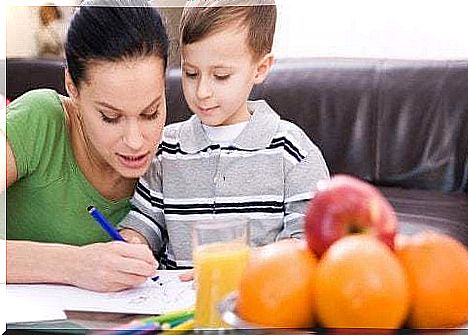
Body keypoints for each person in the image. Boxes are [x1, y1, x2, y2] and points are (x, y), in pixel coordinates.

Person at [119, 0, 330, 269]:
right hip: (175, 307)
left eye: (220, 76)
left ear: (260, 68)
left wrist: (235, 266)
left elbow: (306, 242)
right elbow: (145, 222)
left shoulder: (293, 152)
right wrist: (132, 243)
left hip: (256, 304)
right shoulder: (166, 148)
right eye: (191, 73)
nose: (202, 91)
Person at [5, 0, 169, 292]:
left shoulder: (175, 158)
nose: (135, 141)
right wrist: (72, 264)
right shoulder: (40, 120)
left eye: (151, 112)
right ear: (72, 87)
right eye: (110, 117)